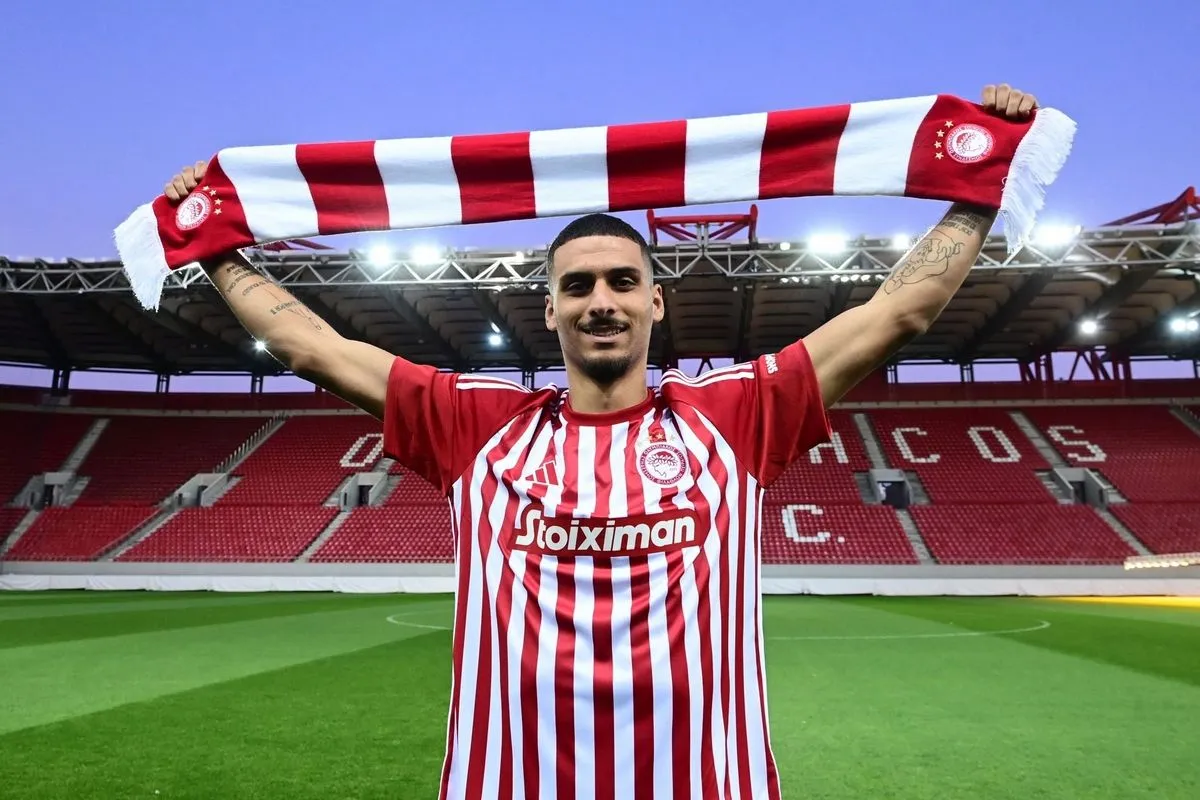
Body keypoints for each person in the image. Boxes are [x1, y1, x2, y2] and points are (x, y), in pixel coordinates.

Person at [163, 84, 1037, 799]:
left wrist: (976, 178)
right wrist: (214, 242)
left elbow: (897, 314)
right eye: (578, 287)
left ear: (656, 301)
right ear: (549, 310)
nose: (602, 302)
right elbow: (311, 347)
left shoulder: (735, 415)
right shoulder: (478, 426)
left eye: (623, 281)